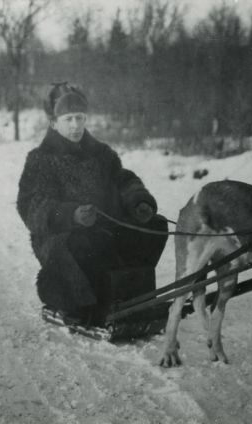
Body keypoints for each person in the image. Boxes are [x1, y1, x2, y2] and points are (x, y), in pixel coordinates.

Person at [17, 82, 168, 326]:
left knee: (155, 227)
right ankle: (90, 304)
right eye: (68, 119)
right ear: (54, 123)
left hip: (105, 228)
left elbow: (124, 180)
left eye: (80, 118)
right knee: (87, 242)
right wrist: (71, 215)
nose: (75, 125)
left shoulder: (101, 153)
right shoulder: (41, 160)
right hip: (61, 238)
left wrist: (138, 201)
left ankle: (132, 295)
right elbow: (31, 207)